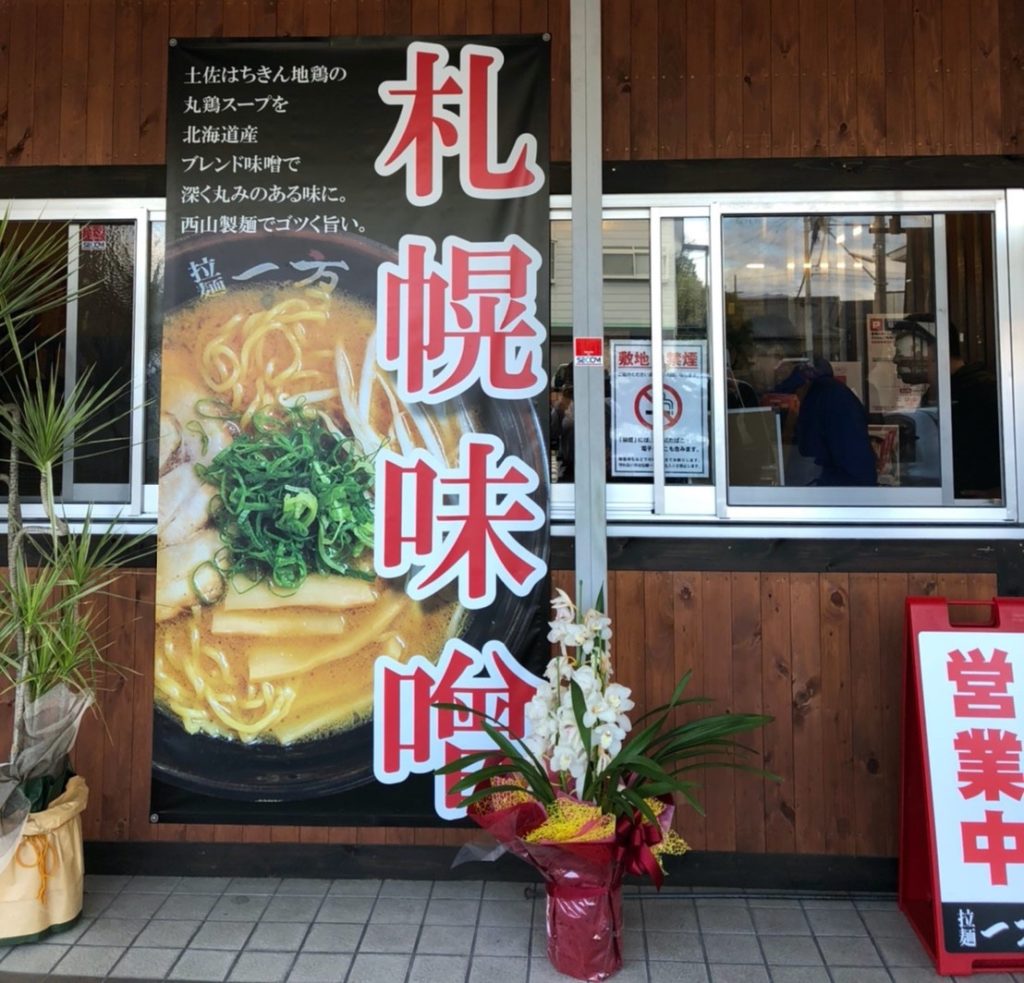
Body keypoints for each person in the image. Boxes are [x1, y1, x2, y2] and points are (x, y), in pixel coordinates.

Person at [773, 356, 877, 487]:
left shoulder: (817, 398)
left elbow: (809, 452)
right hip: (857, 483)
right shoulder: (838, 392)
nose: (796, 398)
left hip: (841, 487)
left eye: (795, 392)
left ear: (803, 383)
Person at [948, 324, 1001, 498]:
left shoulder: (984, 390)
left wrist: (1000, 492)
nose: (895, 359)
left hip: (984, 507)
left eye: (900, 350)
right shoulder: (941, 391)